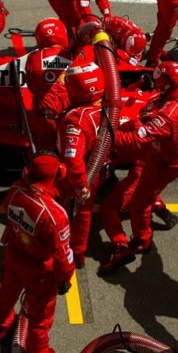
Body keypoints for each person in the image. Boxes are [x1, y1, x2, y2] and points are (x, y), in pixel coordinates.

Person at [98, 61, 178, 275]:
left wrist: (108, 139)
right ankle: (160, 206)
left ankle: (140, 242)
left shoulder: (168, 115)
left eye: (158, 82)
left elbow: (137, 140)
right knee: (148, 190)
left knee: (132, 206)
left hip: (157, 162)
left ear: (166, 85)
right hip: (163, 157)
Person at [0, 152, 75, 353]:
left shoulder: (14, 192)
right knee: (39, 321)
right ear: (59, 174)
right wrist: (65, 279)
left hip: (13, 257)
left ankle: (1, 326)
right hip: (39, 273)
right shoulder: (55, 214)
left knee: (5, 296)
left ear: (28, 172)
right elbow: (63, 256)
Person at [57, 61, 105, 268]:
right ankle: (79, 253)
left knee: (64, 210)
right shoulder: (110, 106)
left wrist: (79, 185)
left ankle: (74, 253)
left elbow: (72, 159)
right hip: (100, 167)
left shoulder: (77, 119)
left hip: (82, 174)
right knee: (84, 212)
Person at [24, 18, 73, 151]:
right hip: (71, 118)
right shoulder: (77, 55)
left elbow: (31, 85)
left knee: (44, 158)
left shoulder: (33, 58)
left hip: (44, 118)